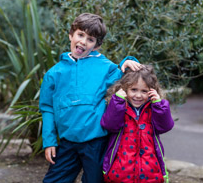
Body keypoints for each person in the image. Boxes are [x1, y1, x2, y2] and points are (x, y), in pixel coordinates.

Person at [39, 13, 141, 183]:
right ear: (71, 35)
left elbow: (126, 75)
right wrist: (49, 141)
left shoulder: (106, 68)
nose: (83, 42)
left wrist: (128, 61)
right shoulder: (53, 74)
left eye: (90, 39)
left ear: (96, 45)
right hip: (67, 143)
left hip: (96, 142)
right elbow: (47, 108)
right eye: (80, 35)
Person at [100, 65, 174, 183]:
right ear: (124, 89)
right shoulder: (119, 106)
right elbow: (110, 125)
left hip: (150, 173)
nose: (138, 95)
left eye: (144, 91)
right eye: (134, 90)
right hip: (121, 172)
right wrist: (117, 102)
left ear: (151, 92)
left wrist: (159, 105)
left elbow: (165, 126)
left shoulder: (153, 108)